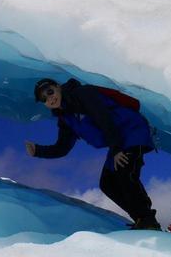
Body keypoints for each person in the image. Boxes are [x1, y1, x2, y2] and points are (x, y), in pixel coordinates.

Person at [25, 78, 160, 230]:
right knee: (107, 184)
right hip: (117, 140)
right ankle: (141, 219)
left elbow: (103, 117)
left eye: (50, 92)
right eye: (44, 98)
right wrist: (38, 151)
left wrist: (116, 149)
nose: (50, 98)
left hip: (132, 130)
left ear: (58, 86)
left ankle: (148, 220)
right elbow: (62, 147)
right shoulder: (66, 119)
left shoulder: (82, 93)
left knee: (124, 172)